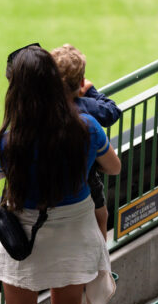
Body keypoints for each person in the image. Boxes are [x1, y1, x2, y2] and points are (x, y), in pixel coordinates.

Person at [0, 45, 121, 304]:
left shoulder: (8, 138)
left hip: (24, 234)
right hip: (74, 229)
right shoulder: (87, 126)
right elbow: (114, 167)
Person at [51, 44, 122, 239]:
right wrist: (91, 91)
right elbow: (112, 111)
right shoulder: (86, 107)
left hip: (51, 185)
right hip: (85, 180)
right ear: (81, 82)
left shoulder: (41, 109)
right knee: (101, 216)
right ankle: (103, 264)